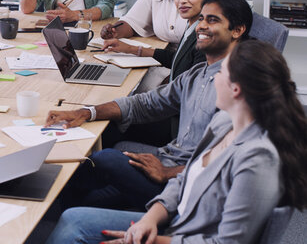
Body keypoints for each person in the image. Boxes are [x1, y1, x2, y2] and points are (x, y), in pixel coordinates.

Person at [47, 40, 307, 244]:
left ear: (235, 89)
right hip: (176, 221)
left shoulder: (258, 160)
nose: (212, 77)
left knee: (76, 226)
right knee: (73, 217)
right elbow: (184, 180)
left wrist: (155, 240)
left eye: (221, 73)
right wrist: (150, 218)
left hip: (186, 234)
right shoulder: (222, 125)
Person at [44, 0, 253, 211]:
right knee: (80, 198)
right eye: (201, 19)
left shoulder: (237, 87)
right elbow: (147, 103)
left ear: (237, 30)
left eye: (213, 20)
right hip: (167, 159)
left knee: (104, 159)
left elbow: (229, 160)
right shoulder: (197, 73)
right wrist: (85, 112)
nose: (201, 26)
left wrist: (168, 173)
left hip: (185, 182)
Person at [102, 0, 216, 81]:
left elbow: (191, 87)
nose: (182, 0)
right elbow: (178, 59)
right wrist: (131, 49)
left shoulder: (206, 39)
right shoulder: (193, 25)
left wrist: (163, 90)